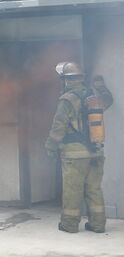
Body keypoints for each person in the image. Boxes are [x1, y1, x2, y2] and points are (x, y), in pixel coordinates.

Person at [45, 62, 113, 233]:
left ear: (66, 80)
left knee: (73, 190)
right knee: (94, 189)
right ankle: (98, 225)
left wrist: (50, 146)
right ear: (81, 78)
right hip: (96, 152)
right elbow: (108, 101)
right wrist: (101, 86)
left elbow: (58, 127)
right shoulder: (94, 96)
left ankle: (69, 225)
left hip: (75, 155)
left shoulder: (67, 100)